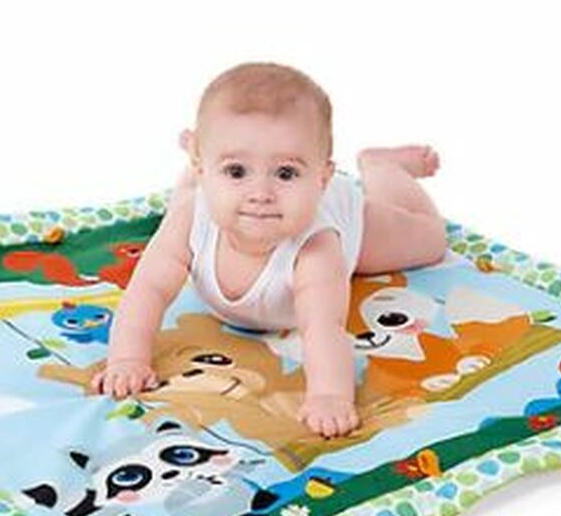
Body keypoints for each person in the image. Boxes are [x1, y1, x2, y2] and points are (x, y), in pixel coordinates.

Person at [90, 62, 447, 438]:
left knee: (430, 240)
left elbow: (323, 327)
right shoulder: (188, 221)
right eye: (237, 171)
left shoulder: (316, 248)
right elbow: (147, 290)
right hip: (204, 190)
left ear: (322, 178)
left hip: (348, 218)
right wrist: (127, 359)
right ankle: (214, 157)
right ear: (201, 168)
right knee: (188, 199)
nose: (260, 194)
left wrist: (329, 397)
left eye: (286, 173)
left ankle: (381, 169)